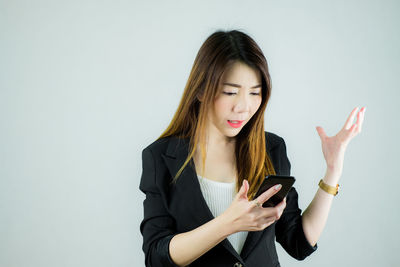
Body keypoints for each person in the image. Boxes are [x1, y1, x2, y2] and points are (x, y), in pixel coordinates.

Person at [139, 29, 366, 267]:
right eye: (230, 92)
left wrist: (332, 170)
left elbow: (298, 242)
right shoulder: (161, 157)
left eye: (255, 93)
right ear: (201, 90)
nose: (244, 107)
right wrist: (227, 223)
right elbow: (157, 257)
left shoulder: (271, 148)